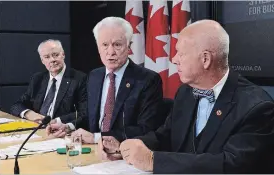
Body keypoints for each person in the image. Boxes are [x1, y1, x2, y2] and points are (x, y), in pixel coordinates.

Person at [104, 19, 274, 173]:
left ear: (205, 59)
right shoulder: (185, 92)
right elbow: (165, 136)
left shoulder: (257, 107)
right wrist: (124, 147)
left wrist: (153, 161)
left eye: (180, 53)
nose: (175, 59)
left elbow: (230, 164)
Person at [47, 17, 164, 153]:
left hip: (123, 155)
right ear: (98, 47)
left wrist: (97, 137)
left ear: (129, 46)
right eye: (104, 45)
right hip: (92, 151)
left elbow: (145, 129)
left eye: (117, 45)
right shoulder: (94, 76)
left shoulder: (147, 80)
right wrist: (69, 126)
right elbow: (89, 116)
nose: (110, 52)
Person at [10, 39, 87, 130]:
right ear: (42, 60)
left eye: (55, 55)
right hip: (35, 130)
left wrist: (56, 121)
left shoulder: (79, 79)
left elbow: (84, 112)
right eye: (47, 57)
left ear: (63, 55)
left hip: (60, 131)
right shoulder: (38, 79)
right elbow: (16, 105)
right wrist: (29, 114)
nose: (52, 60)